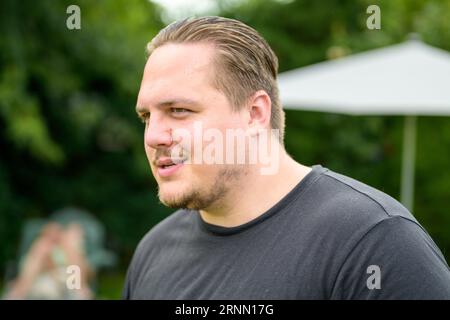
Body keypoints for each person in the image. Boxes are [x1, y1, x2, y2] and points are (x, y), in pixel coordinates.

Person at [123, 16, 450, 299]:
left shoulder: (374, 243)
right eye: (146, 117)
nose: (153, 136)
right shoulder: (154, 251)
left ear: (255, 113)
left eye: (179, 110)